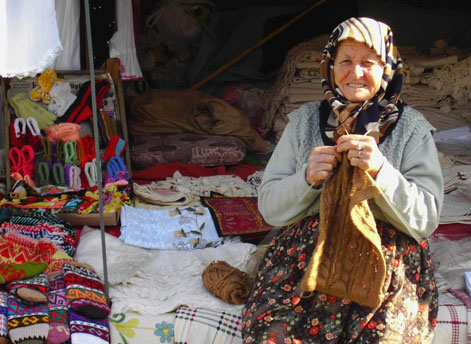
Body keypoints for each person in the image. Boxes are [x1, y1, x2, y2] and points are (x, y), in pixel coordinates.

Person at [242, 17, 443, 344]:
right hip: (307, 257)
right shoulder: (304, 121)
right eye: (345, 61)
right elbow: (270, 209)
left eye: (368, 62)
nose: (356, 72)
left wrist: (380, 170)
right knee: (273, 332)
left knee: (385, 335)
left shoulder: (412, 128)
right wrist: (307, 179)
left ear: (387, 67)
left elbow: (425, 220)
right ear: (330, 66)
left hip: (387, 261)